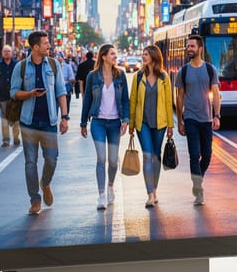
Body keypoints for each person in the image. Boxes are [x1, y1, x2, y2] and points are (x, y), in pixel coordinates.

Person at [10, 31, 69, 216]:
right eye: (45, 43)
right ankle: (35, 200)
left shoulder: (53, 64)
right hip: (28, 122)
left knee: (51, 159)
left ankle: (45, 183)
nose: (49, 46)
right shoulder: (20, 67)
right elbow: (14, 92)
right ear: (36, 47)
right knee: (30, 163)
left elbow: (61, 91)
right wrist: (30, 94)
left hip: (50, 121)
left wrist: (65, 117)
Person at [80, 44, 130, 210]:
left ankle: (110, 186)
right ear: (103, 56)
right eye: (112, 54)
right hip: (98, 122)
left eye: (116, 53)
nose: (115, 57)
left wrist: (125, 119)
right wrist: (83, 122)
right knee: (101, 158)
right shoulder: (92, 76)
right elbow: (87, 100)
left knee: (113, 161)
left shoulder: (120, 75)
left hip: (115, 122)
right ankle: (101, 195)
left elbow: (125, 100)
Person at [175, 35, 220, 206]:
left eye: (192, 46)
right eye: (187, 46)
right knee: (195, 155)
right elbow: (179, 98)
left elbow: (215, 94)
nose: (189, 49)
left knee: (207, 155)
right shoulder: (183, 71)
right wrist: (180, 121)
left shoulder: (210, 70)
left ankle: (197, 180)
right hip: (191, 118)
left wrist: (217, 115)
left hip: (207, 118)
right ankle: (198, 189)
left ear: (200, 49)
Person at [128, 45, 174, 208]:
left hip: (160, 124)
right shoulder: (138, 76)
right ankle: (150, 194)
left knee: (156, 156)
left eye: (146, 54)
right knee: (148, 156)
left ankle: (155, 189)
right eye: (143, 54)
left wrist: (170, 125)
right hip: (143, 123)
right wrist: (131, 124)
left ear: (154, 56)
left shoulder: (164, 77)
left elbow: (169, 102)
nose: (143, 57)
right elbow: (132, 101)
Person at [0, 45, 19, 147]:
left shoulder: (16, 65)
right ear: (2, 53)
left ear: (12, 53)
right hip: (2, 96)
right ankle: (6, 140)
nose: (7, 53)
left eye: (8, 51)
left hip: (14, 96)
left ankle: (16, 138)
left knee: (15, 118)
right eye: (5, 51)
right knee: (4, 118)